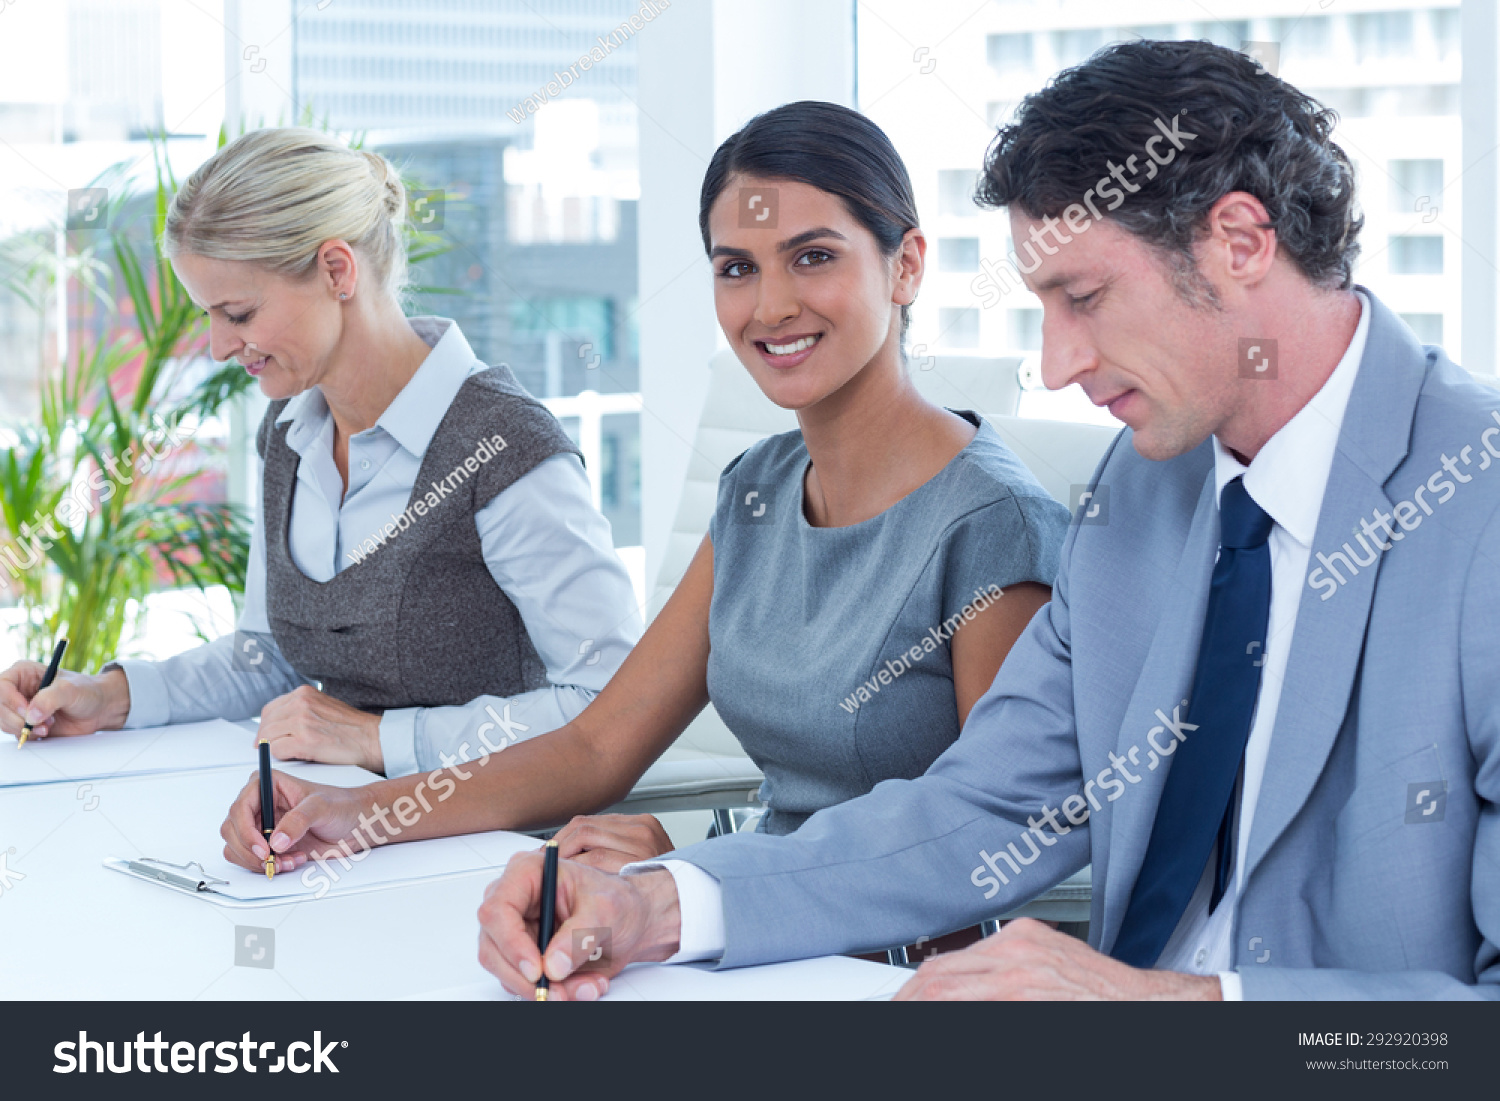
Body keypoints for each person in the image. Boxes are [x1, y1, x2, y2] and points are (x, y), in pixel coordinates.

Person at [474, 40, 1500, 1001]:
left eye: (1085, 297)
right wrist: (659, 904)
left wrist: (1172, 1008)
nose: (1055, 364)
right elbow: (982, 809)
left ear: (1238, 240)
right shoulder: (1144, 493)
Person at [215, 103, 1070, 944]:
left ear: (906, 265)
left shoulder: (992, 527)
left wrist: (700, 875)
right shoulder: (758, 491)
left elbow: (976, 836)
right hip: (731, 934)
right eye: (736, 268)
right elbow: (595, 745)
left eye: (813, 257)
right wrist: (354, 814)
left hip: (899, 969)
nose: (770, 306)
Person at [0, 127, 641, 779]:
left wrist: (377, 739)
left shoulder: (506, 449)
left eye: (240, 313)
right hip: (336, 824)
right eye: (210, 316)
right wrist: (108, 697)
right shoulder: (290, 433)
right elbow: (269, 657)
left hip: (495, 842)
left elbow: (613, 703)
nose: (219, 346)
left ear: (337, 271)